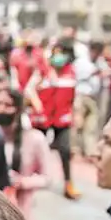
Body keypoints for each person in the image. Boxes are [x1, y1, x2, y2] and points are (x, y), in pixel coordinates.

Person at [29, 41, 81, 199]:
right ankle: (30, 178)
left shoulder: (71, 72)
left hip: (62, 117)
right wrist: (36, 103)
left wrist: (77, 113)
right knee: (36, 149)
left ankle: (68, 184)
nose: (59, 56)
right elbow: (29, 89)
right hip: (42, 117)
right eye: (56, 53)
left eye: (62, 53)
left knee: (65, 149)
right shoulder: (43, 71)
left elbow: (74, 95)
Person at [0, 88, 51, 219]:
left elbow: (47, 178)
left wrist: (22, 182)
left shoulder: (34, 138)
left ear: (18, 110)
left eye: (8, 105)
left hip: (19, 210)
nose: (1, 109)